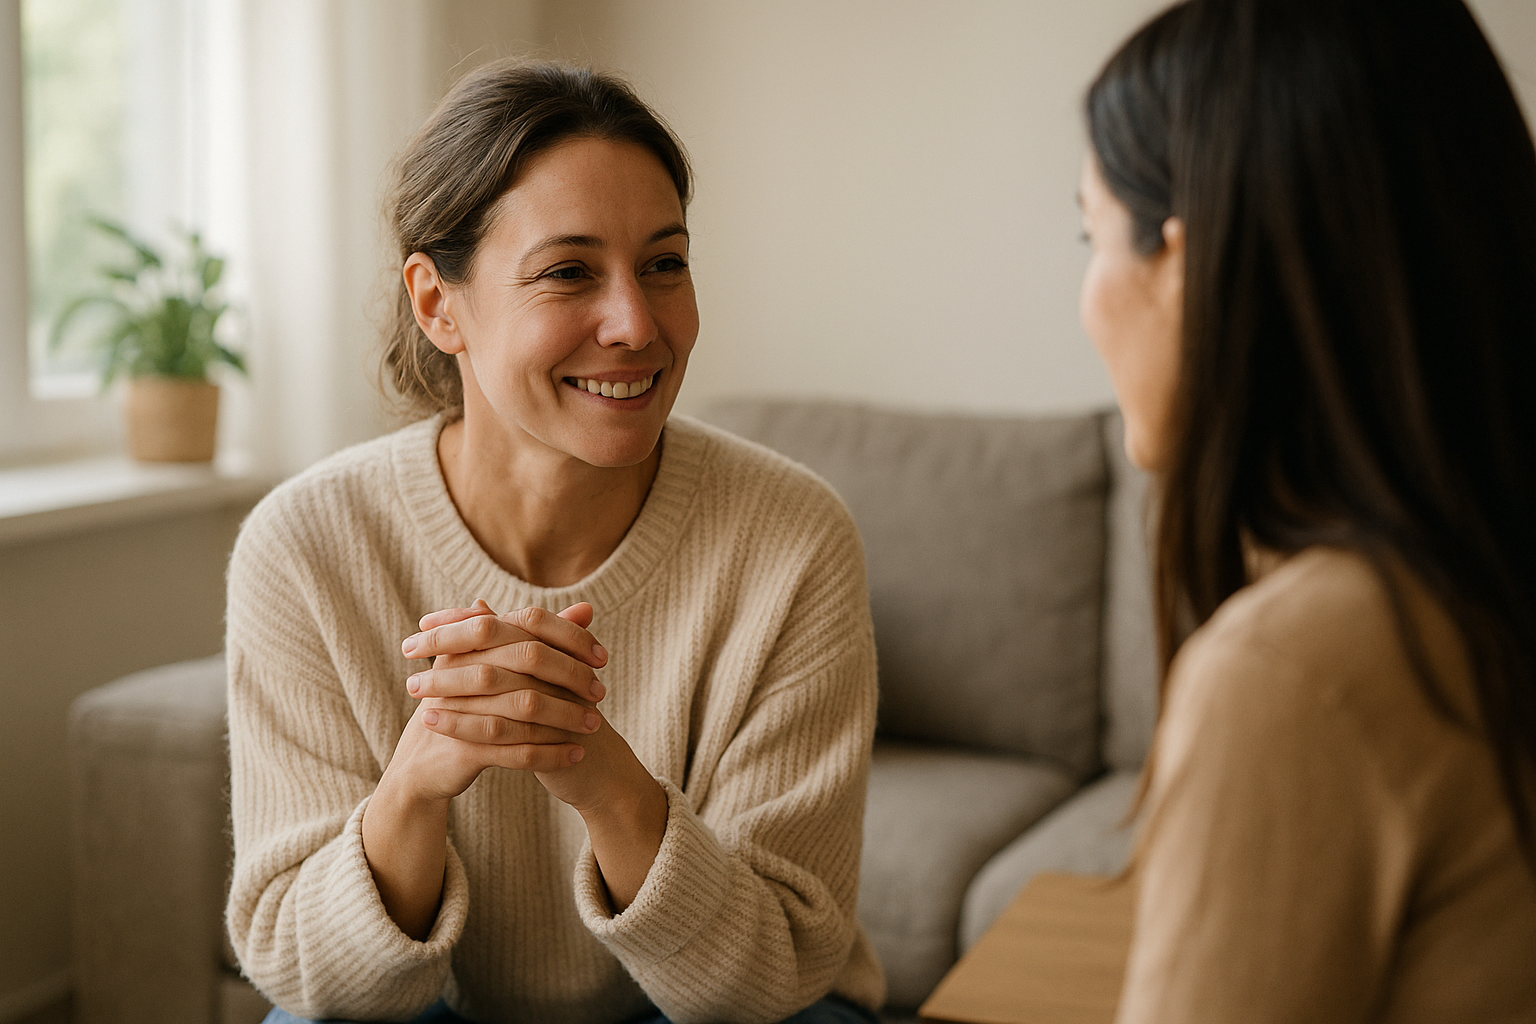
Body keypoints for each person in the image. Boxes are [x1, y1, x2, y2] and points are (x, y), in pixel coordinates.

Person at [224, 61, 884, 1024]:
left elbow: (776, 972)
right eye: (570, 272)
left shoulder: (793, 538)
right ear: (437, 304)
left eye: (664, 264)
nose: (636, 324)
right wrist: (413, 791)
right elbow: (306, 977)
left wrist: (604, 781)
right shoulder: (305, 546)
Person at [1077, 0, 1536, 1019]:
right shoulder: (1482, 575)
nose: (1086, 297)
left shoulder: (1290, 673)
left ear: (1184, 266)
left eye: (1089, 233)